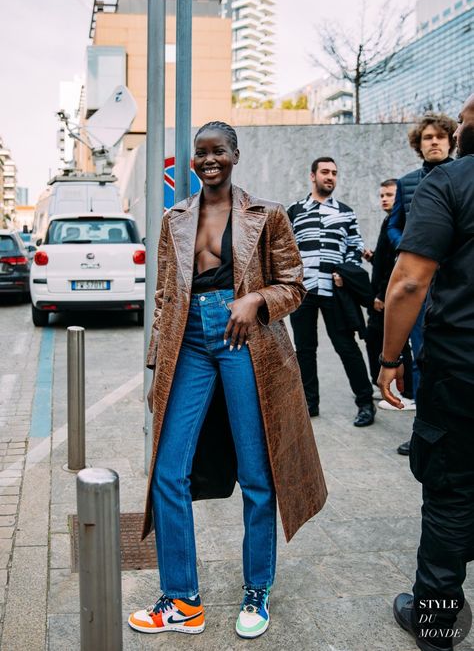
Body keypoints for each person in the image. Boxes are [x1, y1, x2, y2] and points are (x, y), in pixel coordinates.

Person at [129, 121, 327, 639]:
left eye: (218, 151)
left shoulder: (268, 215)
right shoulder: (175, 218)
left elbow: (295, 285)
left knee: (257, 475)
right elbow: (165, 299)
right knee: (169, 470)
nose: (209, 159)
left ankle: (256, 589)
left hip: (246, 341)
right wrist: (157, 368)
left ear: (235, 155)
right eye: (201, 153)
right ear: (192, 161)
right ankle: (182, 600)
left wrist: (257, 299)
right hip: (188, 341)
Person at [378, 94, 474, 651]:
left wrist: (390, 361)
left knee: (449, 492)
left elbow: (409, 280)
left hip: (461, 368)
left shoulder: (447, 183)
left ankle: (436, 624)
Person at [387, 113, 457, 455]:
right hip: (419, 283)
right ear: (419, 144)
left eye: (440, 137)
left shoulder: (463, 179)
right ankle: (421, 434)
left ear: (452, 140)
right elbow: (392, 225)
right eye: (427, 137)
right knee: (420, 358)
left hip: (456, 286)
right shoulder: (407, 182)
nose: (434, 142)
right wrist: (413, 245)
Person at [287, 157, 376, 426]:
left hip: (335, 291)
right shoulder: (295, 211)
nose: (330, 177)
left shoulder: (345, 212)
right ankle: (309, 403)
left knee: (347, 347)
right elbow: (286, 248)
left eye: (334, 173)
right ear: (312, 176)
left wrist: (345, 271)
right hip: (304, 291)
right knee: (304, 349)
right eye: (325, 172)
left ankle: (365, 403)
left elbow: (355, 246)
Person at [364, 179, 415, 410]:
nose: (385, 199)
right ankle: (389, 387)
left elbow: (396, 266)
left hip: (387, 297)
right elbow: (385, 261)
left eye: (390, 195)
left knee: (398, 343)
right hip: (382, 293)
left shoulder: (398, 227)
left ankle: (407, 394)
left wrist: (383, 296)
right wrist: (372, 257)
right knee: (378, 339)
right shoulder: (389, 223)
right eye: (382, 195)